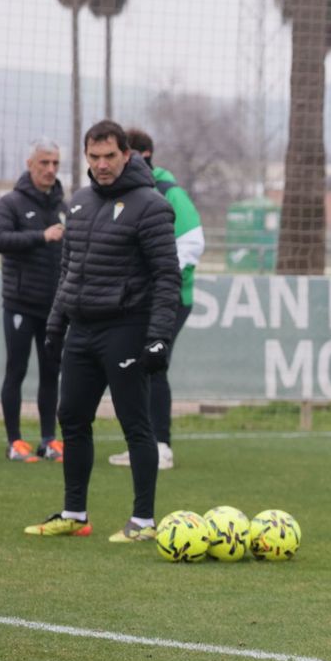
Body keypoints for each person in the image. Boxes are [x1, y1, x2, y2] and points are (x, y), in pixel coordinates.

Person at [24, 120, 181, 543]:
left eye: (110, 156)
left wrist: (159, 336)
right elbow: (68, 272)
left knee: (135, 424)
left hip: (126, 329)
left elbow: (168, 276)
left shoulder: (151, 205)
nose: (102, 165)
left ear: (126, 155)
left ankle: (143, 522)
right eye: (94, 157)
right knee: (71, 417)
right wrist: (57, 326)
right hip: (82, 330)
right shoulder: (78, 203)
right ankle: (75, 514)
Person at [107, 126, 204, 471]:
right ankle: (143, 445)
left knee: (154, 364)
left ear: (138, 156)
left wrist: (162, 276)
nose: (108, 164)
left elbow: (193, 241)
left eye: (116, 155)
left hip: (172, 298)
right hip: (139, 300)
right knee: (136, 369)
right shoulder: (124, 193)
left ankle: (161, 446)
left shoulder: (167, 191)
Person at [0, 137, 66, 463]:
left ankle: (49, 441)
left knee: (51, 374)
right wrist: (41, 237)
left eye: (55, 163)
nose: (50, 169)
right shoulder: (11, 203)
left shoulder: (64, 205)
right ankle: (15, 442)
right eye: (44, 163)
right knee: (16, 371)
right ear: (29, 164)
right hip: (20, 304)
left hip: (55, 307)